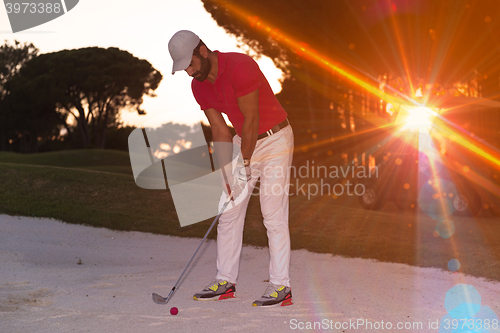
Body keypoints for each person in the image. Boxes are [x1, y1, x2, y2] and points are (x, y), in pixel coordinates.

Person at [168, 30, 294, 307]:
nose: (189, 72)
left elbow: (251, 120)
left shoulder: (240, 66)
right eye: (184, 68)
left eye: (190, 64)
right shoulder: (199, 86)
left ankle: (281, 287)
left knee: (271, 214)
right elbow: (219, 130)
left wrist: (245, 164)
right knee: (227, 210)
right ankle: (225, 282)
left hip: (275, 140)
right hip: (242, 140)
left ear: (202, 50)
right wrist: (227, 171)